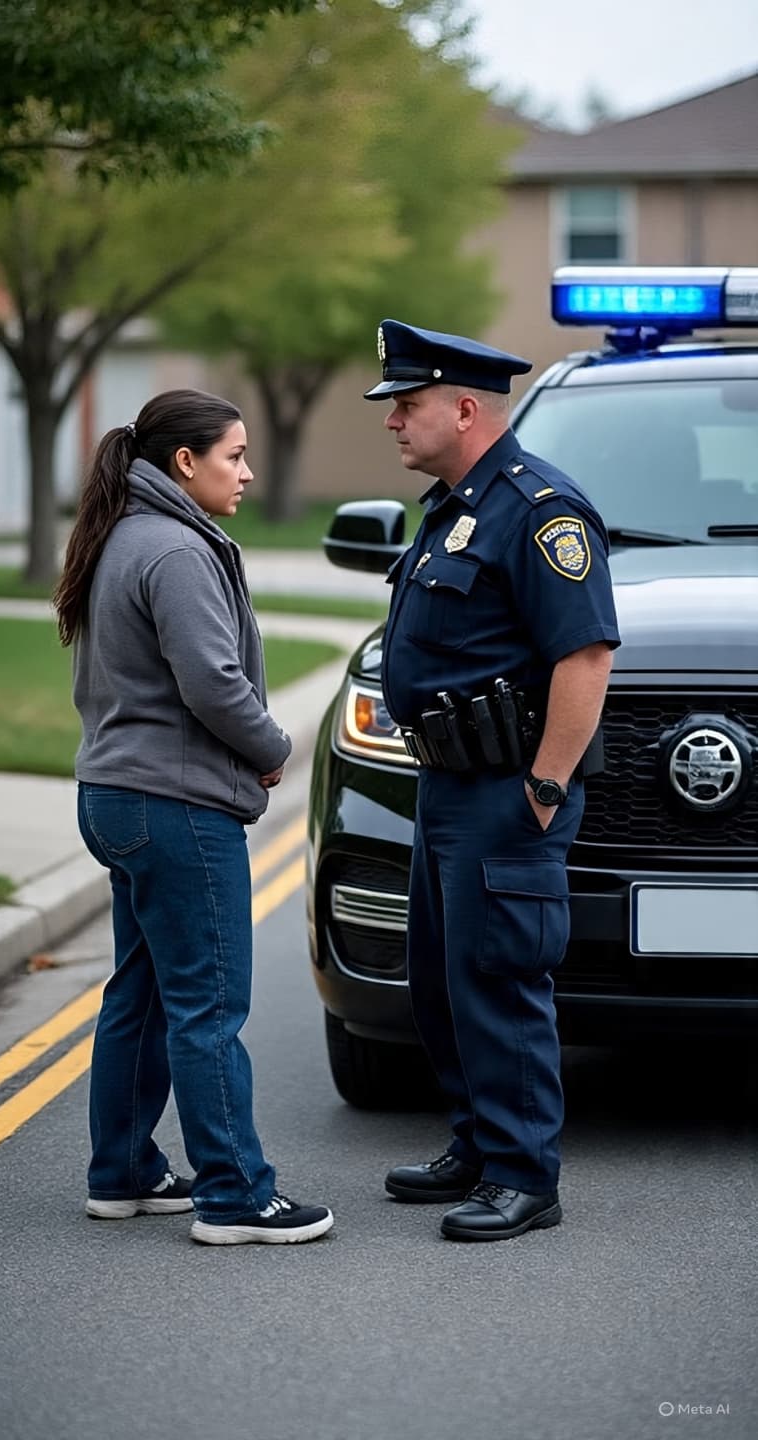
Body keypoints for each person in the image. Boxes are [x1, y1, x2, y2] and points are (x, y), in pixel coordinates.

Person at [54, 389, 333, 1247]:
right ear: (186, 462)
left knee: (140, 992)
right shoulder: (174, 548)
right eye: (234, 455)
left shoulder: (124, 536)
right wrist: (271, 744)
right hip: (175, 807)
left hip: (117, 798)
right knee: (209, 1003)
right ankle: (235, 1194)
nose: (247, 471)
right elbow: (212, 680)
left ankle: (125, 1173)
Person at [363, 321, 620, 1241]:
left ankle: (523, 1177)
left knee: (500, 979)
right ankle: (477, 1145)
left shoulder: (539, 509)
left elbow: (585, 658)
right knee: (440, 980)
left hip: (506, 789)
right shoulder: (452, 505)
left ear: (464, 408)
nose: (393, 420)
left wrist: (543, 790)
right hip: (446, 786)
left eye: (408, 403)